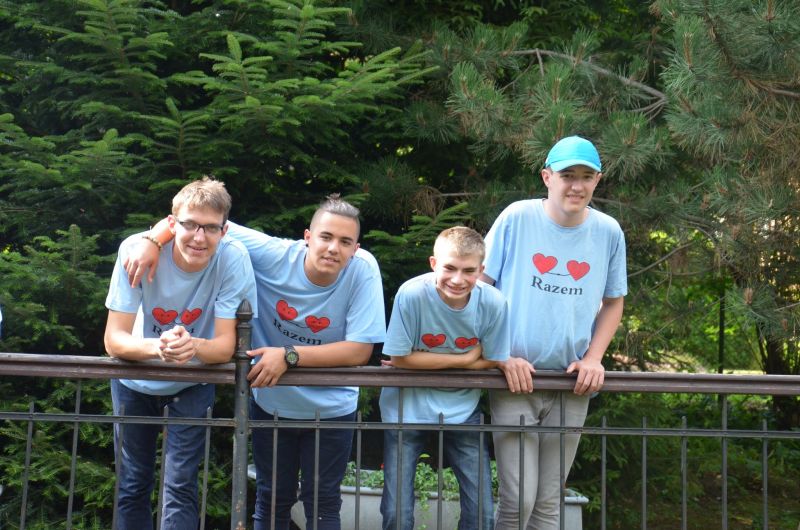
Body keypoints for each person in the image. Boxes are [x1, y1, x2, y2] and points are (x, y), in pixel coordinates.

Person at [126, 194, 386, 530]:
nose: (333, 248)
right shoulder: (273, 254)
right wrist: (151, 240)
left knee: (323, 505)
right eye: (325, 236)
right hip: (271, 402)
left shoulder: (363, 269)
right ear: (307, 237)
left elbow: (360, 351)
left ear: (356, 248)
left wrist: (289, 355)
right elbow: (203, 221)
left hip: (334, 408)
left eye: (345, 242)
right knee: (271, 501)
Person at [482, 135, 627, 529]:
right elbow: (481, 287)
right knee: (517, 500)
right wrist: (499, 355)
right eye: (567, 175)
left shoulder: (608, 232)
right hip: (515, 379)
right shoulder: (517, 217)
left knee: (549, 503)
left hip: (570, 384)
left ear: (598, 180)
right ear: (547, 177)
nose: (576, 185)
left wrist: (594, 358)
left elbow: (614, 301)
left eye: (586, 176)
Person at [104, 177, 257, 530]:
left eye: (211, 228)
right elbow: (114, 340)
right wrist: (159, 347)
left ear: (225, 230)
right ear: (172, 224)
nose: (199, 237)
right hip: (134, 379)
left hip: (193, 380)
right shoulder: (135, 251)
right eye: (190, 225)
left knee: (181, 486)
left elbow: (226, 345)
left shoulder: (233, 259)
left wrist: (192, 347)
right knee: (131, 485)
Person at [378, 226, 510, 530]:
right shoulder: (412, 294)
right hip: (405, 408)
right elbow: (399, 358)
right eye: (450, 268)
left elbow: (493, 358)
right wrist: (464, 359)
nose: (458, 279)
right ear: (434, 263)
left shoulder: (493, 302)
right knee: (397, 513)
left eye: (469, 271)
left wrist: (422, 360)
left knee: (482, 514)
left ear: (481, 270)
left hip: (463, 408)